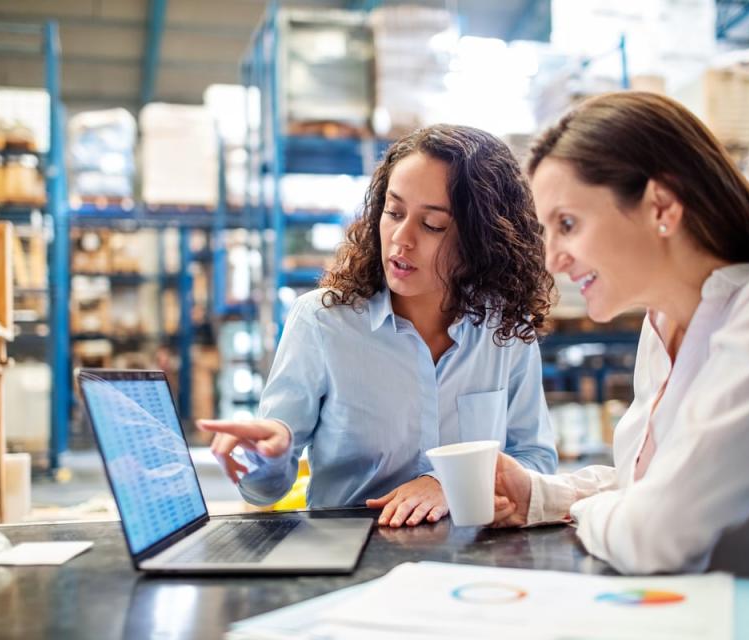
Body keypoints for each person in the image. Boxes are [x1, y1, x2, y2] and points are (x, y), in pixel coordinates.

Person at [490, 91, 749, 582]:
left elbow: (654, 534)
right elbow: (653, 483)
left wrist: (584, 512)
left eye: (567, 224)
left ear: (661, 206)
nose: (553, 260)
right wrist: (541, 496)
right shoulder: (662, 323)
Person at [199, 124, 558, 527]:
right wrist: (269, 456)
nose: (402, 239)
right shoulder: (322, 322)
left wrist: (446, 483)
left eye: (433, 225)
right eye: (394, 211)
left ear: (482, 239)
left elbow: (536, 460)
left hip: (472, 559)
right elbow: (264, 491)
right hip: (352, 557)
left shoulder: (505, 329)